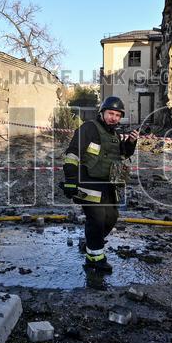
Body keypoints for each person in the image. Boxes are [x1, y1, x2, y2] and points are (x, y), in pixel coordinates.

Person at [61, 96, 139, 273]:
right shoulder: (89, 128)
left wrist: (130, 144)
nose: (114, 118)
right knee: (96, 220)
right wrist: (71, 181)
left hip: (107, 185)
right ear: (102, 113)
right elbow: (72, 154)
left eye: (118, 115)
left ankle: (91, 243)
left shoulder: (115, 135)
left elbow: (121, 156)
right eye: (111, 113)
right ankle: (95, 260)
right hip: (87, 182)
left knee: (111, 218)